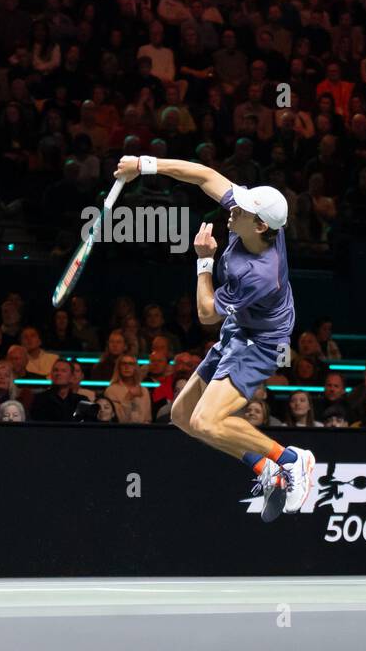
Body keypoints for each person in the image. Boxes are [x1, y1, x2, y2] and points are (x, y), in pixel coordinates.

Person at [115, 153, 315, 521]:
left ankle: (292, 460)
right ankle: (263, 467)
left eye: (241, 209)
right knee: (182, 415)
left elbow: (206, 314)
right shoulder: (255, 220)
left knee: (208, 421)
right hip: (239, 330)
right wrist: (143, 165)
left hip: (262, 342)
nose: (232, 207)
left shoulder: (260, 275)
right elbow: (203, 174)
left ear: (258, 226)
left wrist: (204, 262)